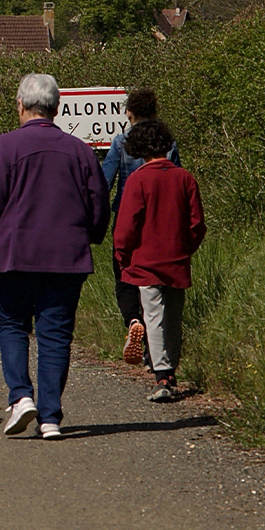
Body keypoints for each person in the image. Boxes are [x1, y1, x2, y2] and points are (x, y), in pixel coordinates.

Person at [0, 73, 110, 441]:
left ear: (20, 105)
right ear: (56, 108)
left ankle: (21, 396)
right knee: (56, 334)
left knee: (12, 324)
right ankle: (50, 417)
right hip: (66, 257)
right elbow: (98, 205)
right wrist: (90, 237)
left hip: (15, 255)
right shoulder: (80, 152)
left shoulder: (4, 147)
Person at [112, 117, 206, 403]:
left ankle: (161, 374)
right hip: (177, 260)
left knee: (153, 316)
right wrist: (186, 248)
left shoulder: (138, 179)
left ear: (139, 148)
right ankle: (171, 369)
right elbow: (197, 224)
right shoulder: (185, 178)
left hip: (146, 261)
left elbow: (127, 225)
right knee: (174, 318)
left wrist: (122, 254)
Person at [99, 89, 182, 365]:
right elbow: (175, 179)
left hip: (127, 215)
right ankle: (152, 350)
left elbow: (104, 182)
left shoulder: (120, 142)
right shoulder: (168, 144)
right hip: (161, 220)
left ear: (129, 113)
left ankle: (133, 319)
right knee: (155, 278)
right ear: (155, 113)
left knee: (124, 272)